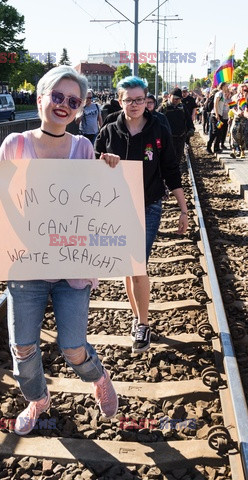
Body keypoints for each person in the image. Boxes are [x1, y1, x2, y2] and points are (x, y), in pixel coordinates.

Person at [0, 66, 118, 436]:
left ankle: (98, 376)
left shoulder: (84, 147)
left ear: (80, 108)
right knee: (23, 348)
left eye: (73, 101)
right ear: (41, 97)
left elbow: (94, 204)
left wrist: (109, 172)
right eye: (57, 96)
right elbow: (1, 203)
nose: (64, 105)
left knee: (73, 347)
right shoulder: (15, 144)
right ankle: (38, 400)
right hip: (26, 265)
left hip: (71, 266)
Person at [95, 76, 188, 353]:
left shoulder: (159, 128)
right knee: (128, 266)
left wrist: (183, 209)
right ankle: (137, 319)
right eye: (128, 100)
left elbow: (171, 168)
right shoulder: (110, 130)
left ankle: (143, 325)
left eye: (139, 99)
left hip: (148, 205)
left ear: (147, 100)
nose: (134, 105)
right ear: (120, 100)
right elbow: (91, 165)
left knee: (136, 264)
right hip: (117, 206)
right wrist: (102, 161)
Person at [158, 87, 194, 164]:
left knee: (178, 158)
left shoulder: (182, 107)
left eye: (178, 99)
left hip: (180, 137)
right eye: (175, 98)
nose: (176, 100)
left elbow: (188, 119)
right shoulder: (163, 108)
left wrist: (191, 128)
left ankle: (176, 172)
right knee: (168, 158)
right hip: (168, 139)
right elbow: (156, 120)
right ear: (169, 96)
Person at [206, 82, 229, 154]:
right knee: (215, 132)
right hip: (215, 115)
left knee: (219, 132)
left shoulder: (223, 95)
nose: (227, 87)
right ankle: (208, 147)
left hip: (220, 115)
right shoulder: (219, 93)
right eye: (225, 86)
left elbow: (222, 104)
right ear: (222, 87)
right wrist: (216, 114)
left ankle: (216, 148)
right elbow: (215, 103)